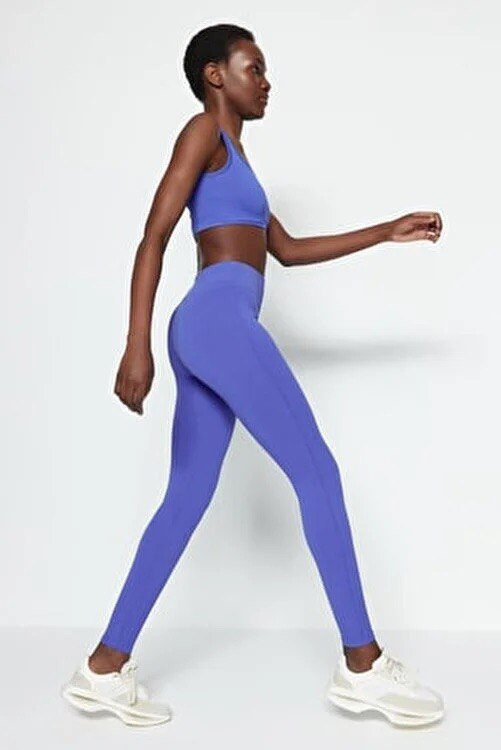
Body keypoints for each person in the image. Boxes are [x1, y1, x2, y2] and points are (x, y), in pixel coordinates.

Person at [61, 23, 445, 728]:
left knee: (185, 499)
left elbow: (287, 251)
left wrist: (384, 230)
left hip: (213, 327)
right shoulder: (202, 132)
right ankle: (362, 666)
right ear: (216, 74)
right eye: (254, 68)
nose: (266, 83)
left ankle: (103, 668)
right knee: (318, 473)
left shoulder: (240, 165)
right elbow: (154, 234)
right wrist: (134, 344)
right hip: (216, 323)